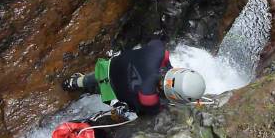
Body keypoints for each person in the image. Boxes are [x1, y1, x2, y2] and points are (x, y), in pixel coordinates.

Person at [62, 39, 206, 116]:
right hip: (111, 91)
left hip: (111, 66)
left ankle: (74, 82)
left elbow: (153, 43)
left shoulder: (160, 52)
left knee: (92, 79)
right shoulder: (150, 99)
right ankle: (88, 89)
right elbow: (149, 111)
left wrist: (164, 64)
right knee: (102, 88)